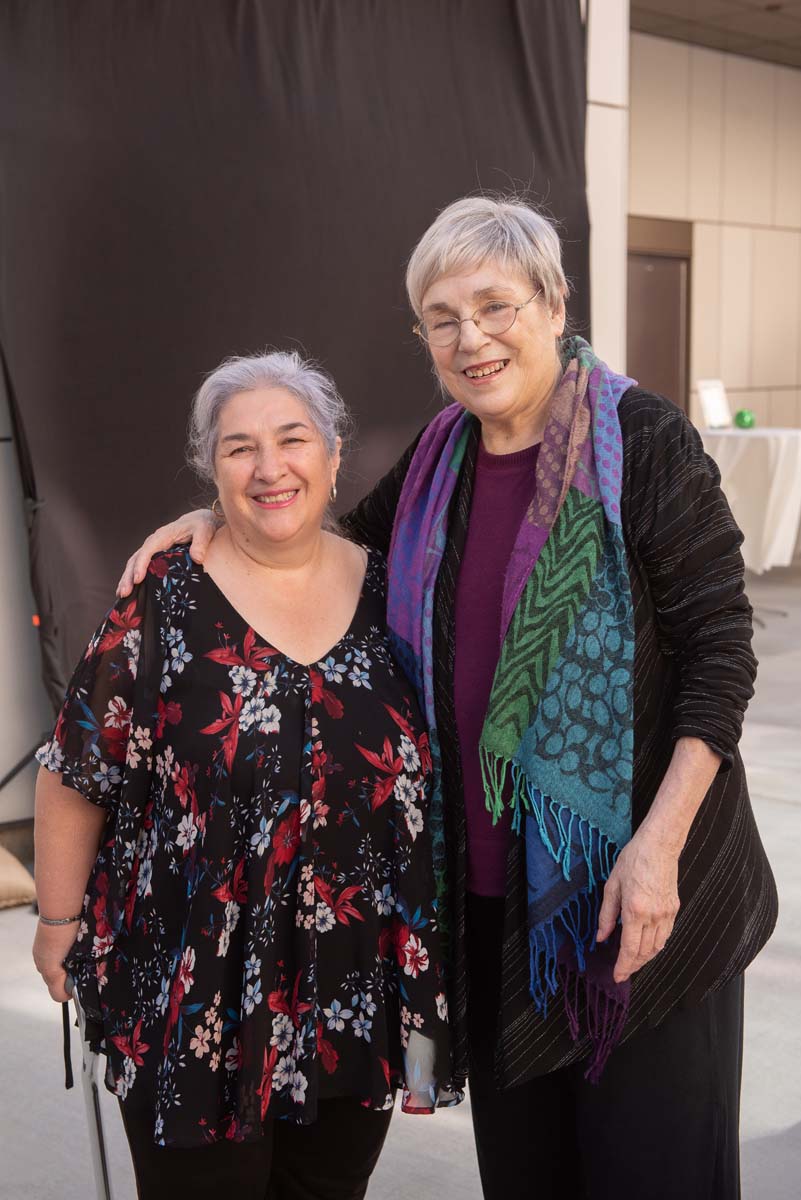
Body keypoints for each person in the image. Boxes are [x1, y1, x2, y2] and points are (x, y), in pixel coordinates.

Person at [115, 196, 778, 1200]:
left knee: (655, 1176)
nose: (472, 339)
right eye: (442, 317)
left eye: (496, 305)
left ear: (554, 305)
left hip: (643, 900)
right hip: (498, 915)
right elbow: (325, 551)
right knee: (531, 1180)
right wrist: (209, 516)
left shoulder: (643, 443)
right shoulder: (439, 464)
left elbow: (722, 655)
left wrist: (656, 850)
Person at [32, 350, 460, 1200]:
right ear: (210, 469)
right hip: (190, 984)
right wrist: (56, 919)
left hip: (352, 984)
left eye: (292, 439)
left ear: (334, 455)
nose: (270, 467)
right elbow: (78, 767)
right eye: (238, 448)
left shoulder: (397, 589)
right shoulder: (166, 590)